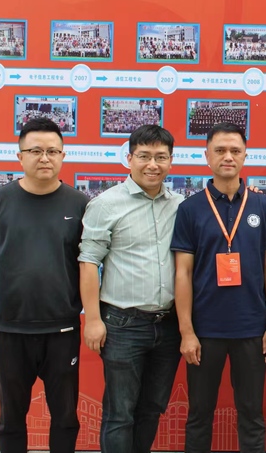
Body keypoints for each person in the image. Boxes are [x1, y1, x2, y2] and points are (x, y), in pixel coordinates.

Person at [0, 118, 88, 453]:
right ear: (20, 156)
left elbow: (88, 263)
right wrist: (5, 298)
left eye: (52, 151)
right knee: (10, 419)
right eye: (35, 151)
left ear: (63, 155)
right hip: (11, 330)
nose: (44, 158)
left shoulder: (79, 205)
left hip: (62, 330)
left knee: (65, 418)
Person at [171, 123, 266, 453]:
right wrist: (186, 331)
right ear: (207, 156)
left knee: (251, 415)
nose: (228, 157)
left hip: (252, 329)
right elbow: (183, 272)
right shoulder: (190, 209)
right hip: (204, 331)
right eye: (220, 150)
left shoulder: (264, 206)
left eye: (235, 150)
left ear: (245, 156)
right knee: (199, 415)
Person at [78, 125, 183, 453]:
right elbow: (88, 263)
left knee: (151, 409)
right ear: (129, 158)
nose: (153, 164)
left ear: (170, 161)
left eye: (161, 157)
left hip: (169, 325)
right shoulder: (106, 204)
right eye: (144, 156)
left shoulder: (180, 205)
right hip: (123, 324)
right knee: (120, 414)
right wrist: (92, 320)